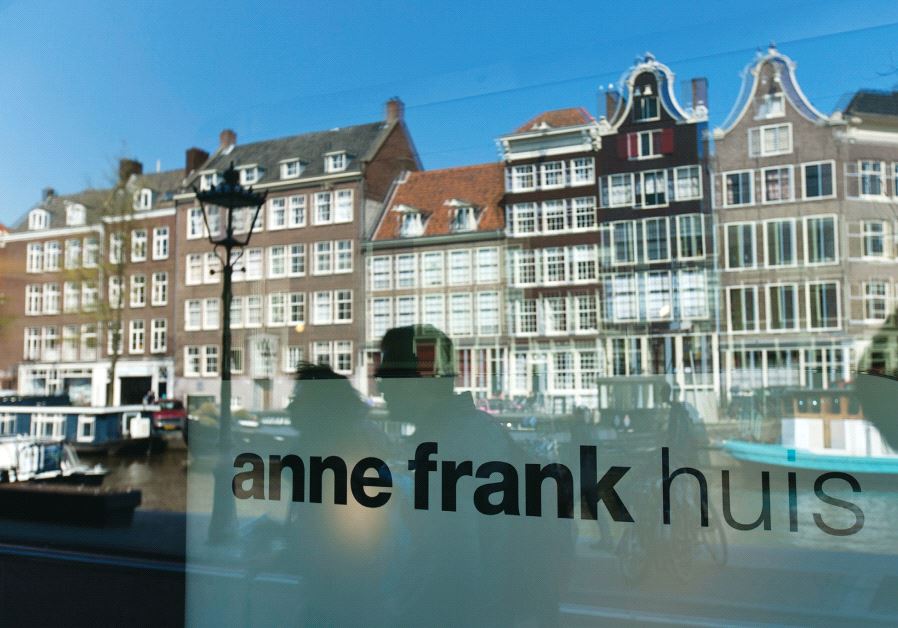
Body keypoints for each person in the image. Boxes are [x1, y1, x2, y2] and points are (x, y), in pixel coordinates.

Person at [377, 325, 571, 626]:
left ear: (415, 381)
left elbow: (456, 568)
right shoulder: (477, 430)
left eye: (387, 373)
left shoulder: (448, 447)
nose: (380, 386)